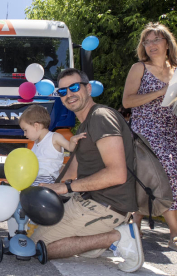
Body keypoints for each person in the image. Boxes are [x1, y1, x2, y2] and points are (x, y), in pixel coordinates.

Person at [30, 68, 144, 273]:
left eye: (74, 87)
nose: (68, 94)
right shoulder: (84, 127)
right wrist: (42, 191)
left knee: (37, 247)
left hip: (106, 206)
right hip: (86, 201)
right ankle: (93, 242)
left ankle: (117, 237)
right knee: (34, 234)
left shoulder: (101, 117)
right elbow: (71, 171)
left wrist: (66, 188)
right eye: (62, 91)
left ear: (88, 88)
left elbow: (117, 174)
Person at [122, 22, 177, 251]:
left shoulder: (175, 70)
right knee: (165, 172)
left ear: (167, 43)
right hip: (145, 132)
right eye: (147, 41)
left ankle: (134, 226)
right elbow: (127, 102)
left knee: (146, 180)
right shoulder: (139, 68)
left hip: (171, 131)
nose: (151, 45)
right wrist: (160, 92)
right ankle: (174, 232)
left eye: (156, 40)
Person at [18, 104, 86, 236]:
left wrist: (72, 140)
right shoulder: (36, 144)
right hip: (34, 179)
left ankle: (34, 225)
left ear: (36, 126)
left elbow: (70, 148)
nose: (24, 134)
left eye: (25, 130)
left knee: (31, 204)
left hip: (47, 181)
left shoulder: (54, 137)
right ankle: (29, 226)